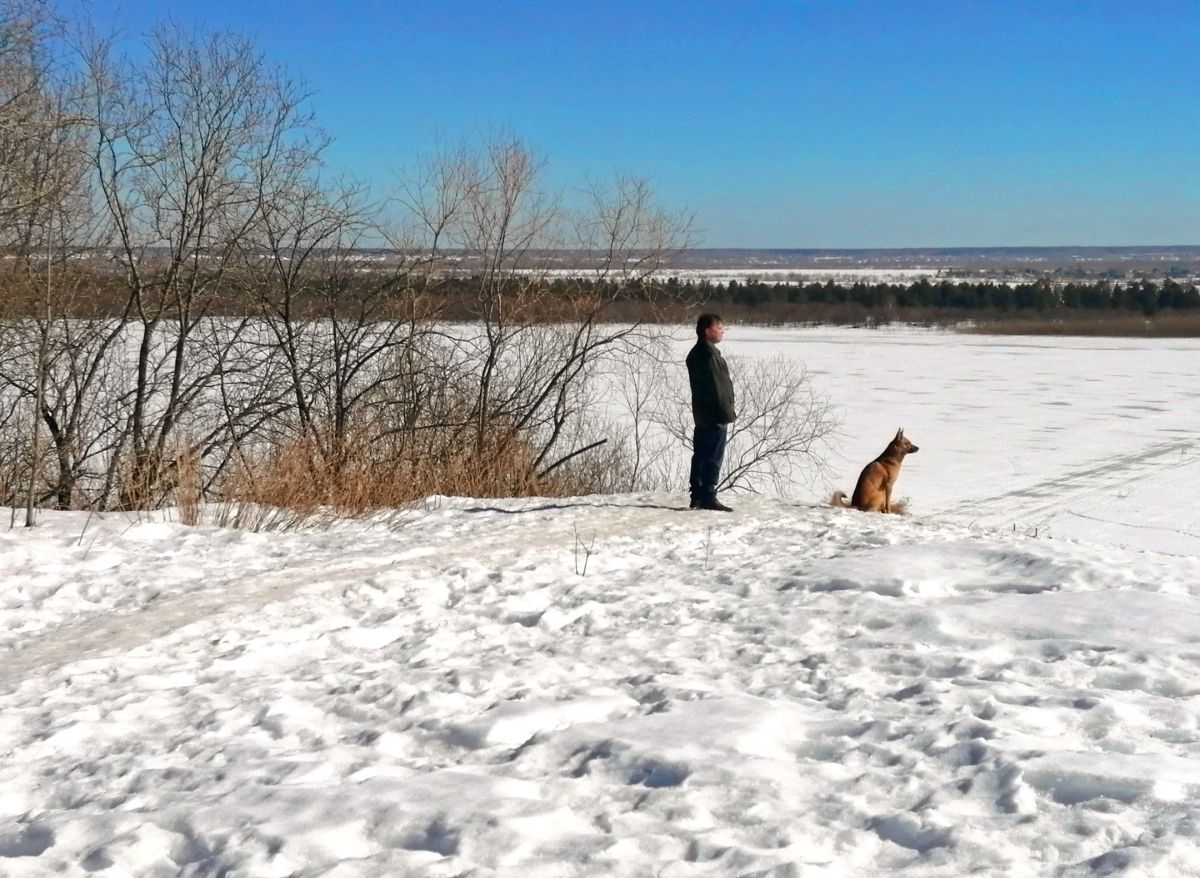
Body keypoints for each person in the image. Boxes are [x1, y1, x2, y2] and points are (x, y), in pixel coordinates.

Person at [686, 313, 736, 511]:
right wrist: (723, 415)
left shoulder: (698, 353)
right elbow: (718, 388)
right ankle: (708, 494)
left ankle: (697, 495)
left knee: (700, 454)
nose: (723, 330)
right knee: (712, 455)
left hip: (702, 414)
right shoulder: (708, 355)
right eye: (719, 327)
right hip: (714, 415)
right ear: (708, 330)